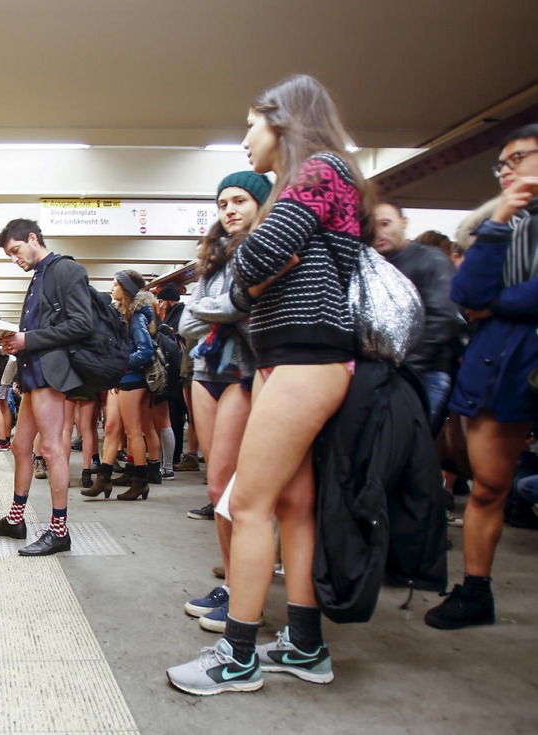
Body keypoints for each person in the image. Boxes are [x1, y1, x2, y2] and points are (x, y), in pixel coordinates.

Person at [167, 74, 372, 695]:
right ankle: (306, 646)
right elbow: (261, 265)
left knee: (247, 503)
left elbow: (253, 263)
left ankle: (237, 655)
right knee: (291, 506)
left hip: (306, 358)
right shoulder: (316, 180)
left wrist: (245, 283)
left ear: (281, 121)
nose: (246, 141)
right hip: (304, 359)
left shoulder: (315, 174)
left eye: (250, 126)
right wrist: (252, 278)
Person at [425, 124, 538, 629]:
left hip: (511, 349)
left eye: (519, 158)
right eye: (503, 164)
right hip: (502, 366)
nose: (508, 169)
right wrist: (502, 218)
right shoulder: (499, 225)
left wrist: (498, 303)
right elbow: (467, 293)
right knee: (490, 484)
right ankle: (475, 589)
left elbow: (499, 298)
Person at [178, 170, 270, 633]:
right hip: (205, 370)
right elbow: (187, 325)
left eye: (239, 201)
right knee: (216, 488)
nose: (229, 209)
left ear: (260, 204)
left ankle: (243, 589)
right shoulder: (213, 257)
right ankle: (233, 582)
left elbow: (243, 309)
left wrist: (213, 310)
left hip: (243, 371)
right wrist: (222, 310)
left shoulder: (265, 248)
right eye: (222, 203)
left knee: (232, 485)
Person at [0, 219, 94, 556]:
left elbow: (82, 324)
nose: (15, 258)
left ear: (33, 238)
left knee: (52, 450)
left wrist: (27, 339)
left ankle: (59, 531)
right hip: (33, 374)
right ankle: (16, 520)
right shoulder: (39, 278)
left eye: (16, 250)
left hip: (51, 374)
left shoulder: (66, 270)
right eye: (10, 255)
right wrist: (14, 342)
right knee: (19, 446)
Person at [374, 202, 465, 434]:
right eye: (370, 226)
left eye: (385, 223)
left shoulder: (431, 260)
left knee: (405, 448)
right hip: (389, 374)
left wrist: (405, 364)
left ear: (404, 224)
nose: (378, 232)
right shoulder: (373, 266)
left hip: (425, 373)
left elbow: (444, 318)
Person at [82, 270, 159, 501]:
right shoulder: (125, 314)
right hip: (122, 379)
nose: (112, 288)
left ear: (126, 289)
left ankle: (140, 481)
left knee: (133, 431)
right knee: (111, 428)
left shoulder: (136, 317)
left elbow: (145, 351)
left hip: (132, 379)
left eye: (116, 284)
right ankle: (103, 478)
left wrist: (120, 365)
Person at [157, 284, 188, 476]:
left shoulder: (179, 316)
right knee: (172, 420)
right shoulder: (174, 315)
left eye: (161, 301)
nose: (160, 305)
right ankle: (170, 460)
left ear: (170, 300)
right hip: (177, 373)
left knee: (173, 419)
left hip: (175, 374)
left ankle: (172, 459)